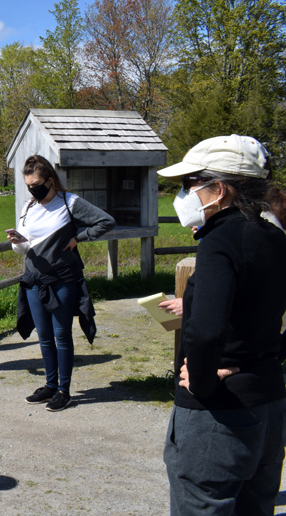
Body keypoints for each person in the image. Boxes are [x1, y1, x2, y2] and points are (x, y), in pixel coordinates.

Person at [157, 134, 286, 516]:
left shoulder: (219, 241)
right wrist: (271, 355)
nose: (184, 194)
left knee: (203, 504)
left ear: (220, 189)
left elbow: (205, 330)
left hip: (220, 415)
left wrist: (201, 382)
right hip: (268, 402)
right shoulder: (276, 238)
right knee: (256, 507)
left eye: (190, 183)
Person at [8, 155, 115, 412]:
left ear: (50, 180)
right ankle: (50, 385)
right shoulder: (28, 208)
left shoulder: (70, 203)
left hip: (63, 280)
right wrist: (16, 241)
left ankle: (64, 391)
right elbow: (24, 248)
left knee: (61, 336)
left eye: (36, 184)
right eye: (29, 185)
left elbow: (106, 221)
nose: (33, 189)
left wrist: (80, 236)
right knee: (44, 337)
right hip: (33, 279)